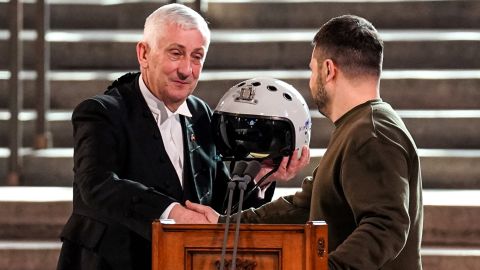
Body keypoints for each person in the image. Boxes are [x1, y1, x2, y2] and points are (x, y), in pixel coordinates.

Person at [56, 4, 309, 270]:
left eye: (197, 56)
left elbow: (218, 208)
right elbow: (97, 184)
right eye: (176, 53)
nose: (187, 70)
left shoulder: (202, 114)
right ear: (144, 53)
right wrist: (173, 213)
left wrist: (261, 177)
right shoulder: (100, 112)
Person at [188, 15, 424, 270]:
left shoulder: (372, 133)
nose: (312, 80)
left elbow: (386, 225)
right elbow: (303, 205)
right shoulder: (359, 126)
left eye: (313, 69)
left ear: (329, 70)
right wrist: (227, 223)